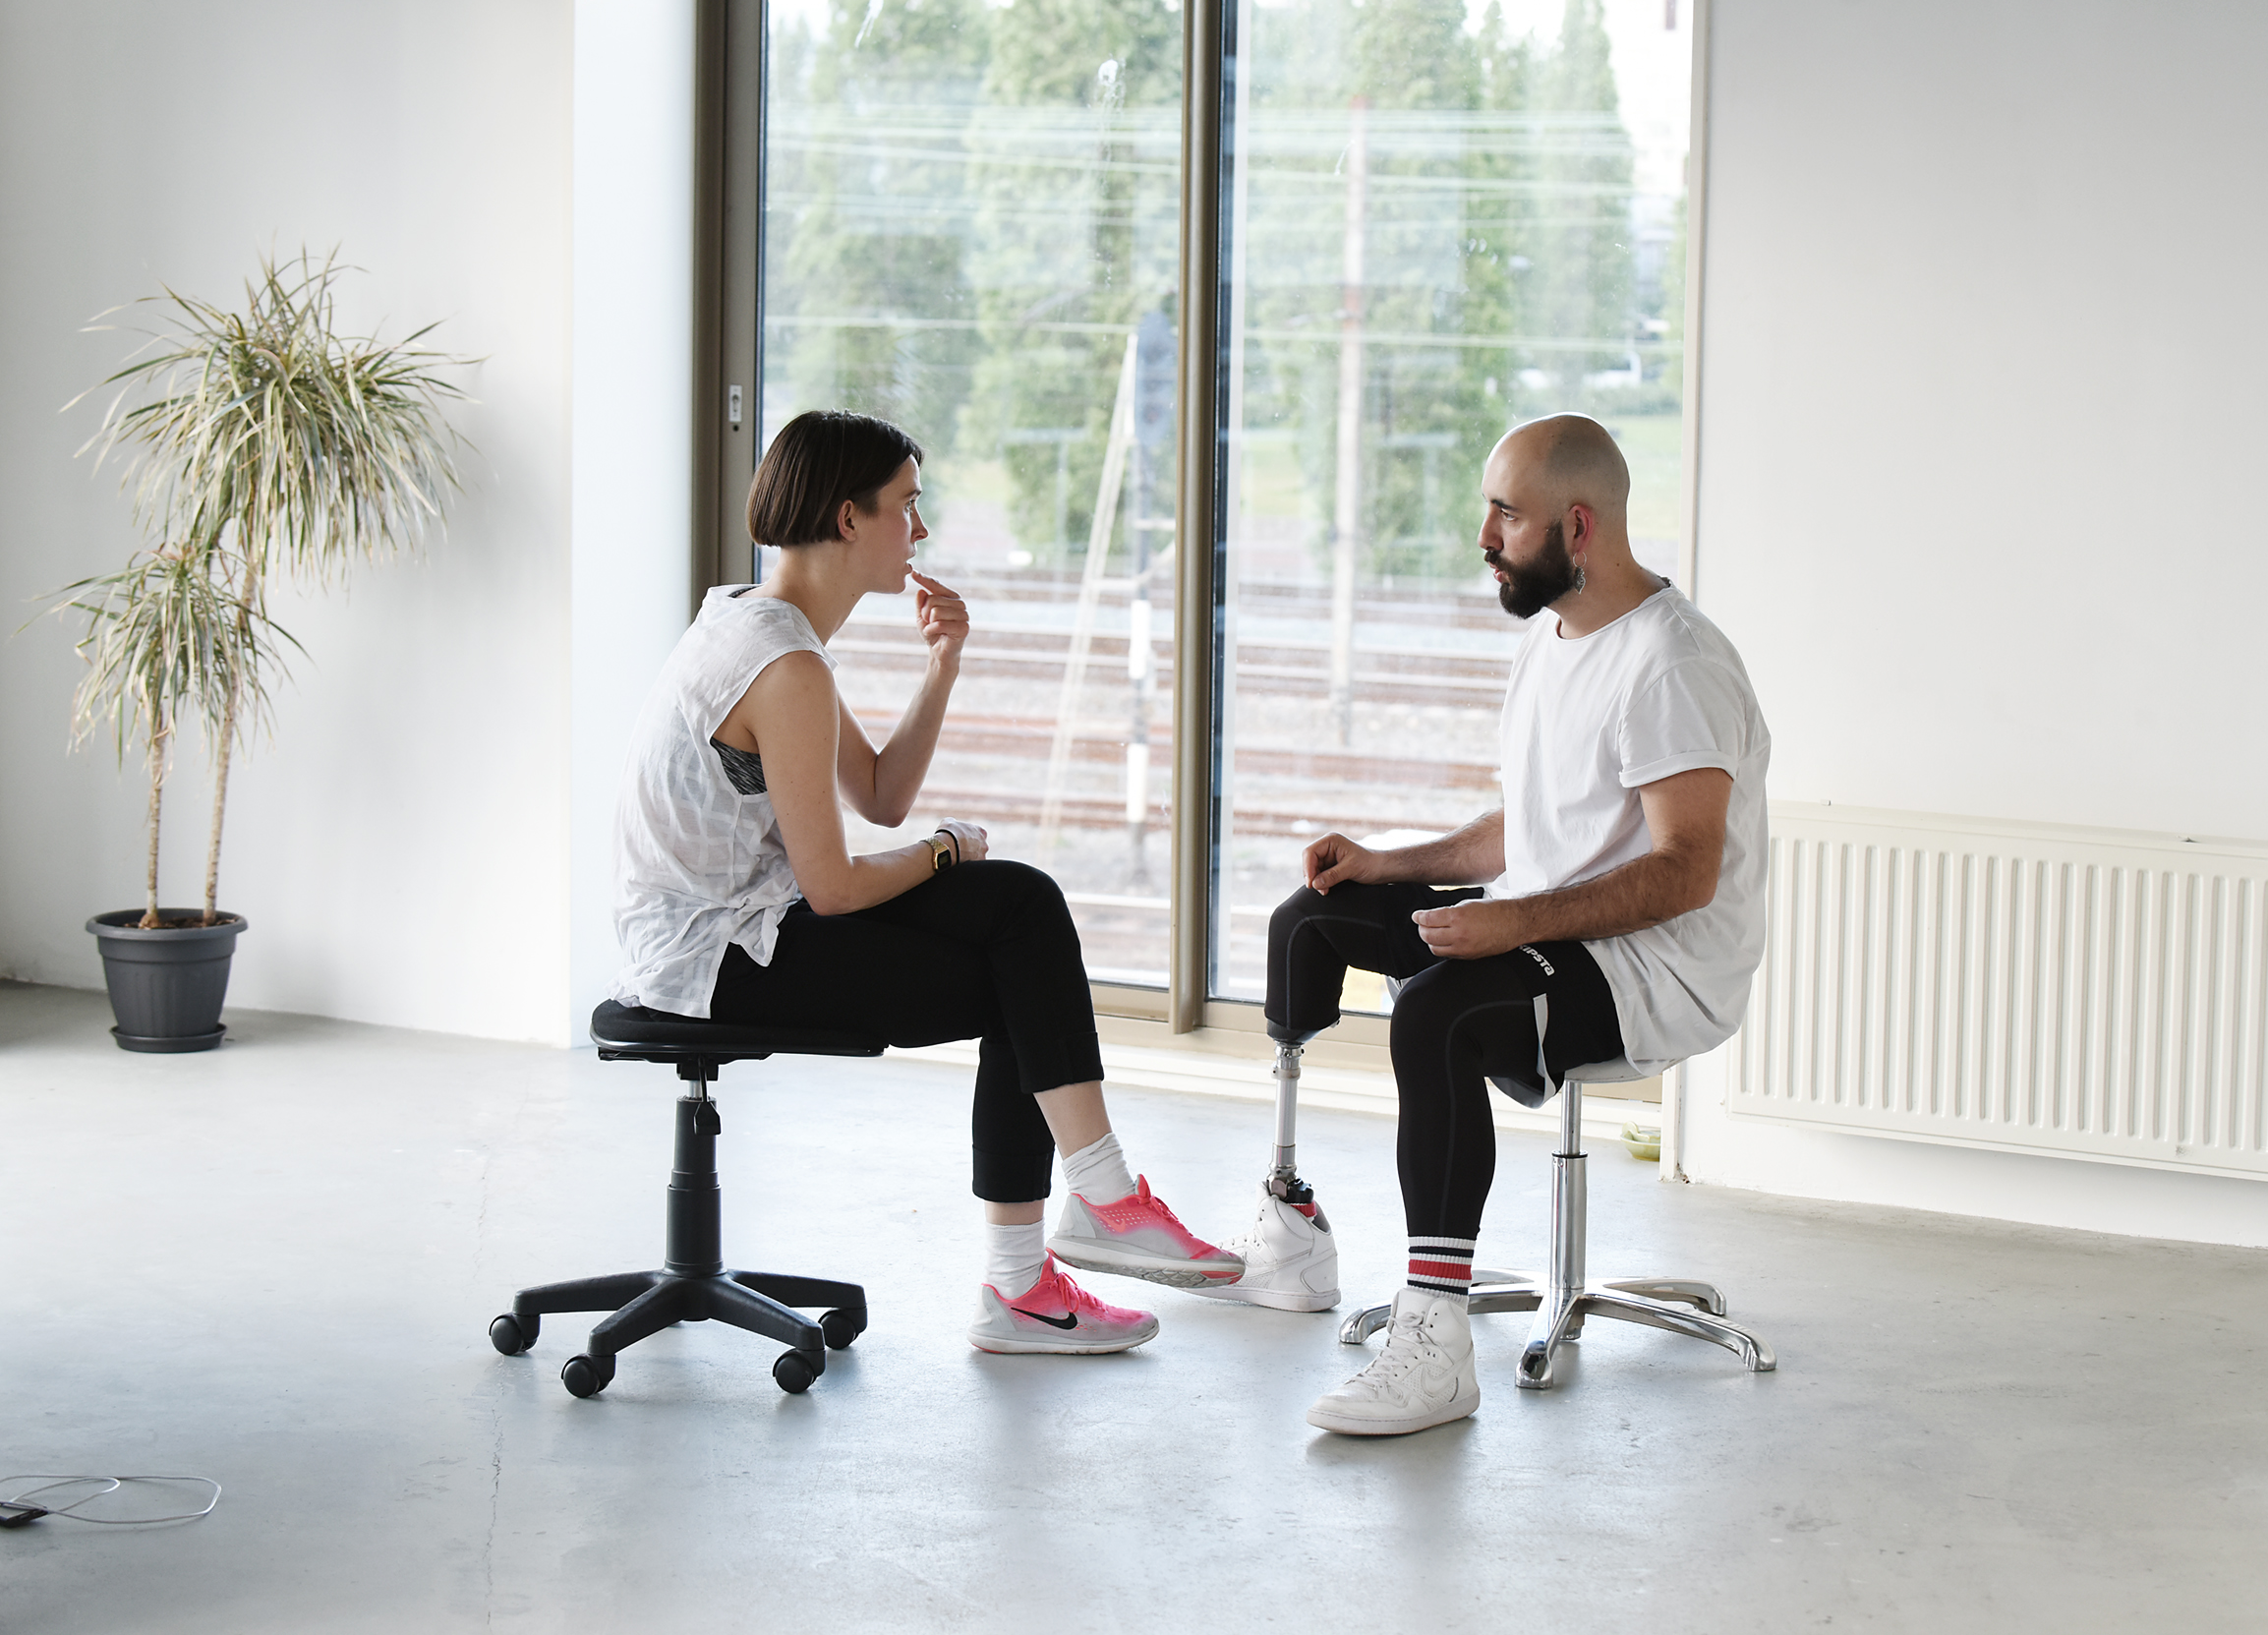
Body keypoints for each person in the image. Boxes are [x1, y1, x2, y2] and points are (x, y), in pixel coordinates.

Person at [609, 409, 1242, 1356]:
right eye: (907, 504)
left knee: (1020, 905)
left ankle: (1084, 1220)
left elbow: (878, 795)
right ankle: (1051, 1256)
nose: (923, 526)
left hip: (740, 924)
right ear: (848, 518)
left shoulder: (759, 620)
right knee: (1016, 970)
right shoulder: (784, 664)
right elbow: (833, 886)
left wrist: (943, 665)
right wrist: (945, 849)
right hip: (713, 960)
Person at [1241, 414, 1771, 1434]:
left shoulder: (1673, 664)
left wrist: (1511, 920)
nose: (1484, 537)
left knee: (1436, 1010)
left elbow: (1686, 872)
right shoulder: (1550, 637)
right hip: (1551, 931)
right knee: (1315, 915)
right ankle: (1286, 1218)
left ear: (1578, 526)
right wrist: (1389, 864)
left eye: (1506, 515)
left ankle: (1434, 1343)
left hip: (1652, 968)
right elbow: (1534, 828)